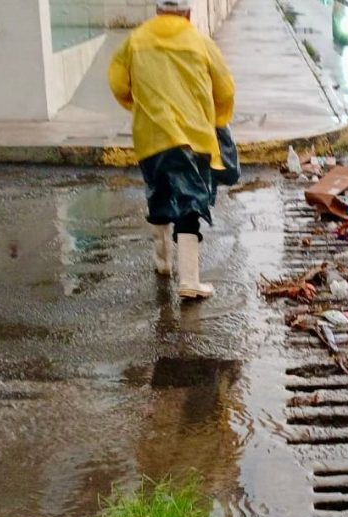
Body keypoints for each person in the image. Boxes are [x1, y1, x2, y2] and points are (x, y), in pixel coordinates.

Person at [108, 0, 235, 300]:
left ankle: (163, 263)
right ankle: (190, 280)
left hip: (150, 136)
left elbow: (116, 82)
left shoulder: (135, 40)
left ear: (157, 12)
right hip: (192, 137)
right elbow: (225, 89)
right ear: (188, 13)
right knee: (190, 202)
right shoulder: (199, 41)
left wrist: (137, 105)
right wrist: (218, 119)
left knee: (159, 193)